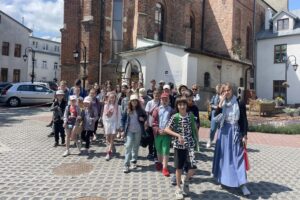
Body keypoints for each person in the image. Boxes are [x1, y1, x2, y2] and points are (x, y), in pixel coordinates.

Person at [212, 82, 250, 196]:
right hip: (223, 132)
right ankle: (223, 179)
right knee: (223, 157)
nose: (226, 93)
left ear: (232, 90)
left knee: (238, 158)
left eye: (228, 90)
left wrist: (244, 135)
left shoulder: (239, 102)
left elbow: (244, 120)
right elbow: (212, 118)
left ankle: (243, 184)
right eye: (224, 91)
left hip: (235, 132)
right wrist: (220, 103)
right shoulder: (220, 102)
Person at [164, 95, 199, 199]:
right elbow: (167, 129)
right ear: (177, 106)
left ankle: (186, 180)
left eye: (184, 104)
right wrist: (178, 135)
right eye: (180, 104)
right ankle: (178, 188)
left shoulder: (191, 115)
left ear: (186, 105)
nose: (182, 106)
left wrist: (197, 140)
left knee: (192, 167)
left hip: (190, 146)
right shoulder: (175, 117)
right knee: (178, 168)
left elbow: (195, 128)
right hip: (179, 146)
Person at [122, 94, 147, 173]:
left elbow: (145, 116)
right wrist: (122, 129)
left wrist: (143, 119)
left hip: (138, 130)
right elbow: (123, 119)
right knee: (128, 146)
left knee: (135, 146)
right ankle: (126, 164)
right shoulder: (127, 109)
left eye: (135, 100)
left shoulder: (140, 109)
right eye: (132, 101)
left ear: (137, 101)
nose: (134, 102)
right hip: (129, 130)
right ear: (130, 101)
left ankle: (134, 161)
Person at [152, 92, 173, 177]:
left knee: (165, 150)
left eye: (166, 99)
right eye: (163, 99)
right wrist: (157, 130)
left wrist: (168, 131)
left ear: (168, 100)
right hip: (158, 133)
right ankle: (160, 163)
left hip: (166, 134)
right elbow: (154, 122)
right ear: (160, 100)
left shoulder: (171, 110)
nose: (164, 101)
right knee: (159, 150)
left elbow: (172, 123)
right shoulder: (156, 110)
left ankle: (165, 167)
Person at [102, 92, 119, 161]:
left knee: (112, 138)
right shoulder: (106, 106)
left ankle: (108, 153)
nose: (112, 99)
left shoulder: (117, 106)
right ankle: (112, 146)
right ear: (108, 98)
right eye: (111, 97)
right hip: (107, 123)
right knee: (107, 138)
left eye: (113, 97)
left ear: (115, 98)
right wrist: (104, 124)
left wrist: (118, 125)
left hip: (113, 123)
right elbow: (104, 115)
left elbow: (118, 116)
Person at [144, 90, 160, 161]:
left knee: (156, 140)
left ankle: (156, 154)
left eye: (157, 94)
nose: (156, 95)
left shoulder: (160, 103)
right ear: (153, 95)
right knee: (150, 140)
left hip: (157, 125)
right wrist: (146, 122)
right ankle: (150, 153)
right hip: (150, 124)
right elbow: (147, 113)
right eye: (155, 94)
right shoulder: (149, 102)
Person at [207, 84, 222, 148]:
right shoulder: (214, 97)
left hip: (221, 114)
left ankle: (219, 142)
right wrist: (216, 107)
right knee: (213, 128)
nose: (218, 90)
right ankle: (210, 140)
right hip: (214, 114)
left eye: (219, 89)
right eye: (217, 89)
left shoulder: (224, 97)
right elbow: (211, 104)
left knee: (221, 129)